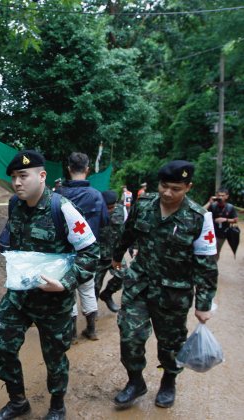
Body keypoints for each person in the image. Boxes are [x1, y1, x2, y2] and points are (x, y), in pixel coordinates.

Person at [0, 150, 99, 420]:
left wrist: (65, 283)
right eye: (14, 177)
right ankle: (18, 402)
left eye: (23, 176)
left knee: (54, 357)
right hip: (19, 296)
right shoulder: (15, 205)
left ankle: (57, 406)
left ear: (42, 176)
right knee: (0, 345)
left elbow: (91, 253)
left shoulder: (62, 208)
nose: (17, 183)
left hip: (54, 300)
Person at [111, 160, 218, 410]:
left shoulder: (198, 218)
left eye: (176, 188)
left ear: (188, 187)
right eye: (163, 186)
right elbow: (128, 232)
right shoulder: (145, 204)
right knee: (130, 336)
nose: (167, 193)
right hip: (139, 283)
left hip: (173, 292)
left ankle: (168, 381)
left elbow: (207, 265)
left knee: (170, 344)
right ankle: (135, 381)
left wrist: (203, 304)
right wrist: (117, 256)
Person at [57, 152, 108, 341]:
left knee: (68, 290)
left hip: (64, 253)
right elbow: (104, 222)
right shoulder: (96, 195)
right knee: (87, 290)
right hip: (87, 254)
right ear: (87, 170)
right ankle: (91, 329)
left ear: (68, 169)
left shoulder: (58, 194)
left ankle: (70, 333)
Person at [93, 190, 127, 313]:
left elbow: (127, 229)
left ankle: (107, 294)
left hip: (115, 256)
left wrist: (132, 246)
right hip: (99, 257)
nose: (109, 210)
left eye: (112, 207)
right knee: (94, 285)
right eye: (107, 208)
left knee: (122, 275)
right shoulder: (94, 211)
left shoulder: (122, 210)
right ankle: (92, 310)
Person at [203, 188, 238, 260]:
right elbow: (201, 212)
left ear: (227, 196)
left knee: (215, 251)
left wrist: (225, 219)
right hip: (209, 232)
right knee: (207, 250)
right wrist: (209, 202)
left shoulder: (230, 207)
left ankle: (213, 266)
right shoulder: (212, 205)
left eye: (223, 195)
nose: (220, 197)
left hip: (222, 233)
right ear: (216, 196)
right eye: (219, 195)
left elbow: (235, 220)